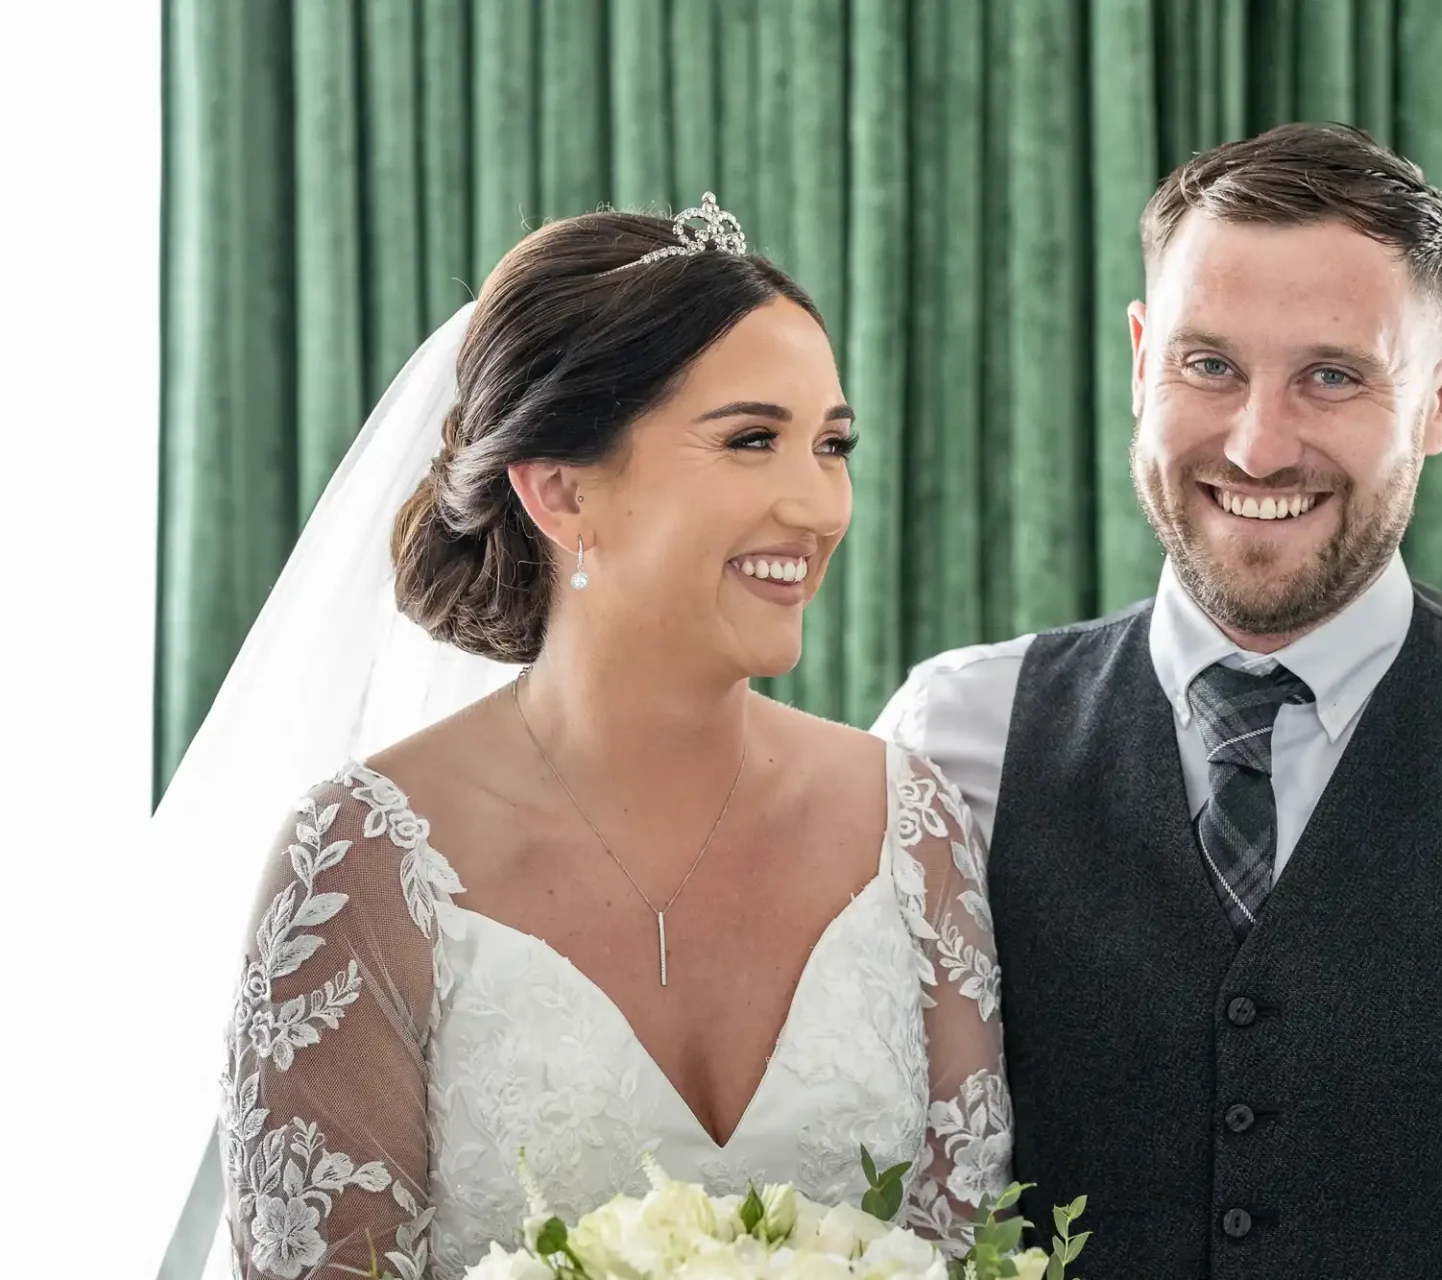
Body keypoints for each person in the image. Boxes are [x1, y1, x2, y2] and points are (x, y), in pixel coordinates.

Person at [874, 124, 1442, 1279]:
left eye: (1332, 374)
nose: (1259, 445)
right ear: (1136, 364)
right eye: (1208, 364)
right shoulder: (948, 744)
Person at [211, 200, 1008, 1279]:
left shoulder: (909, 828)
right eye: (751, 439)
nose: (819, 504)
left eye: (833, 445)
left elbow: (973, 1250)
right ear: (561, 488)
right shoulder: (363, 866)